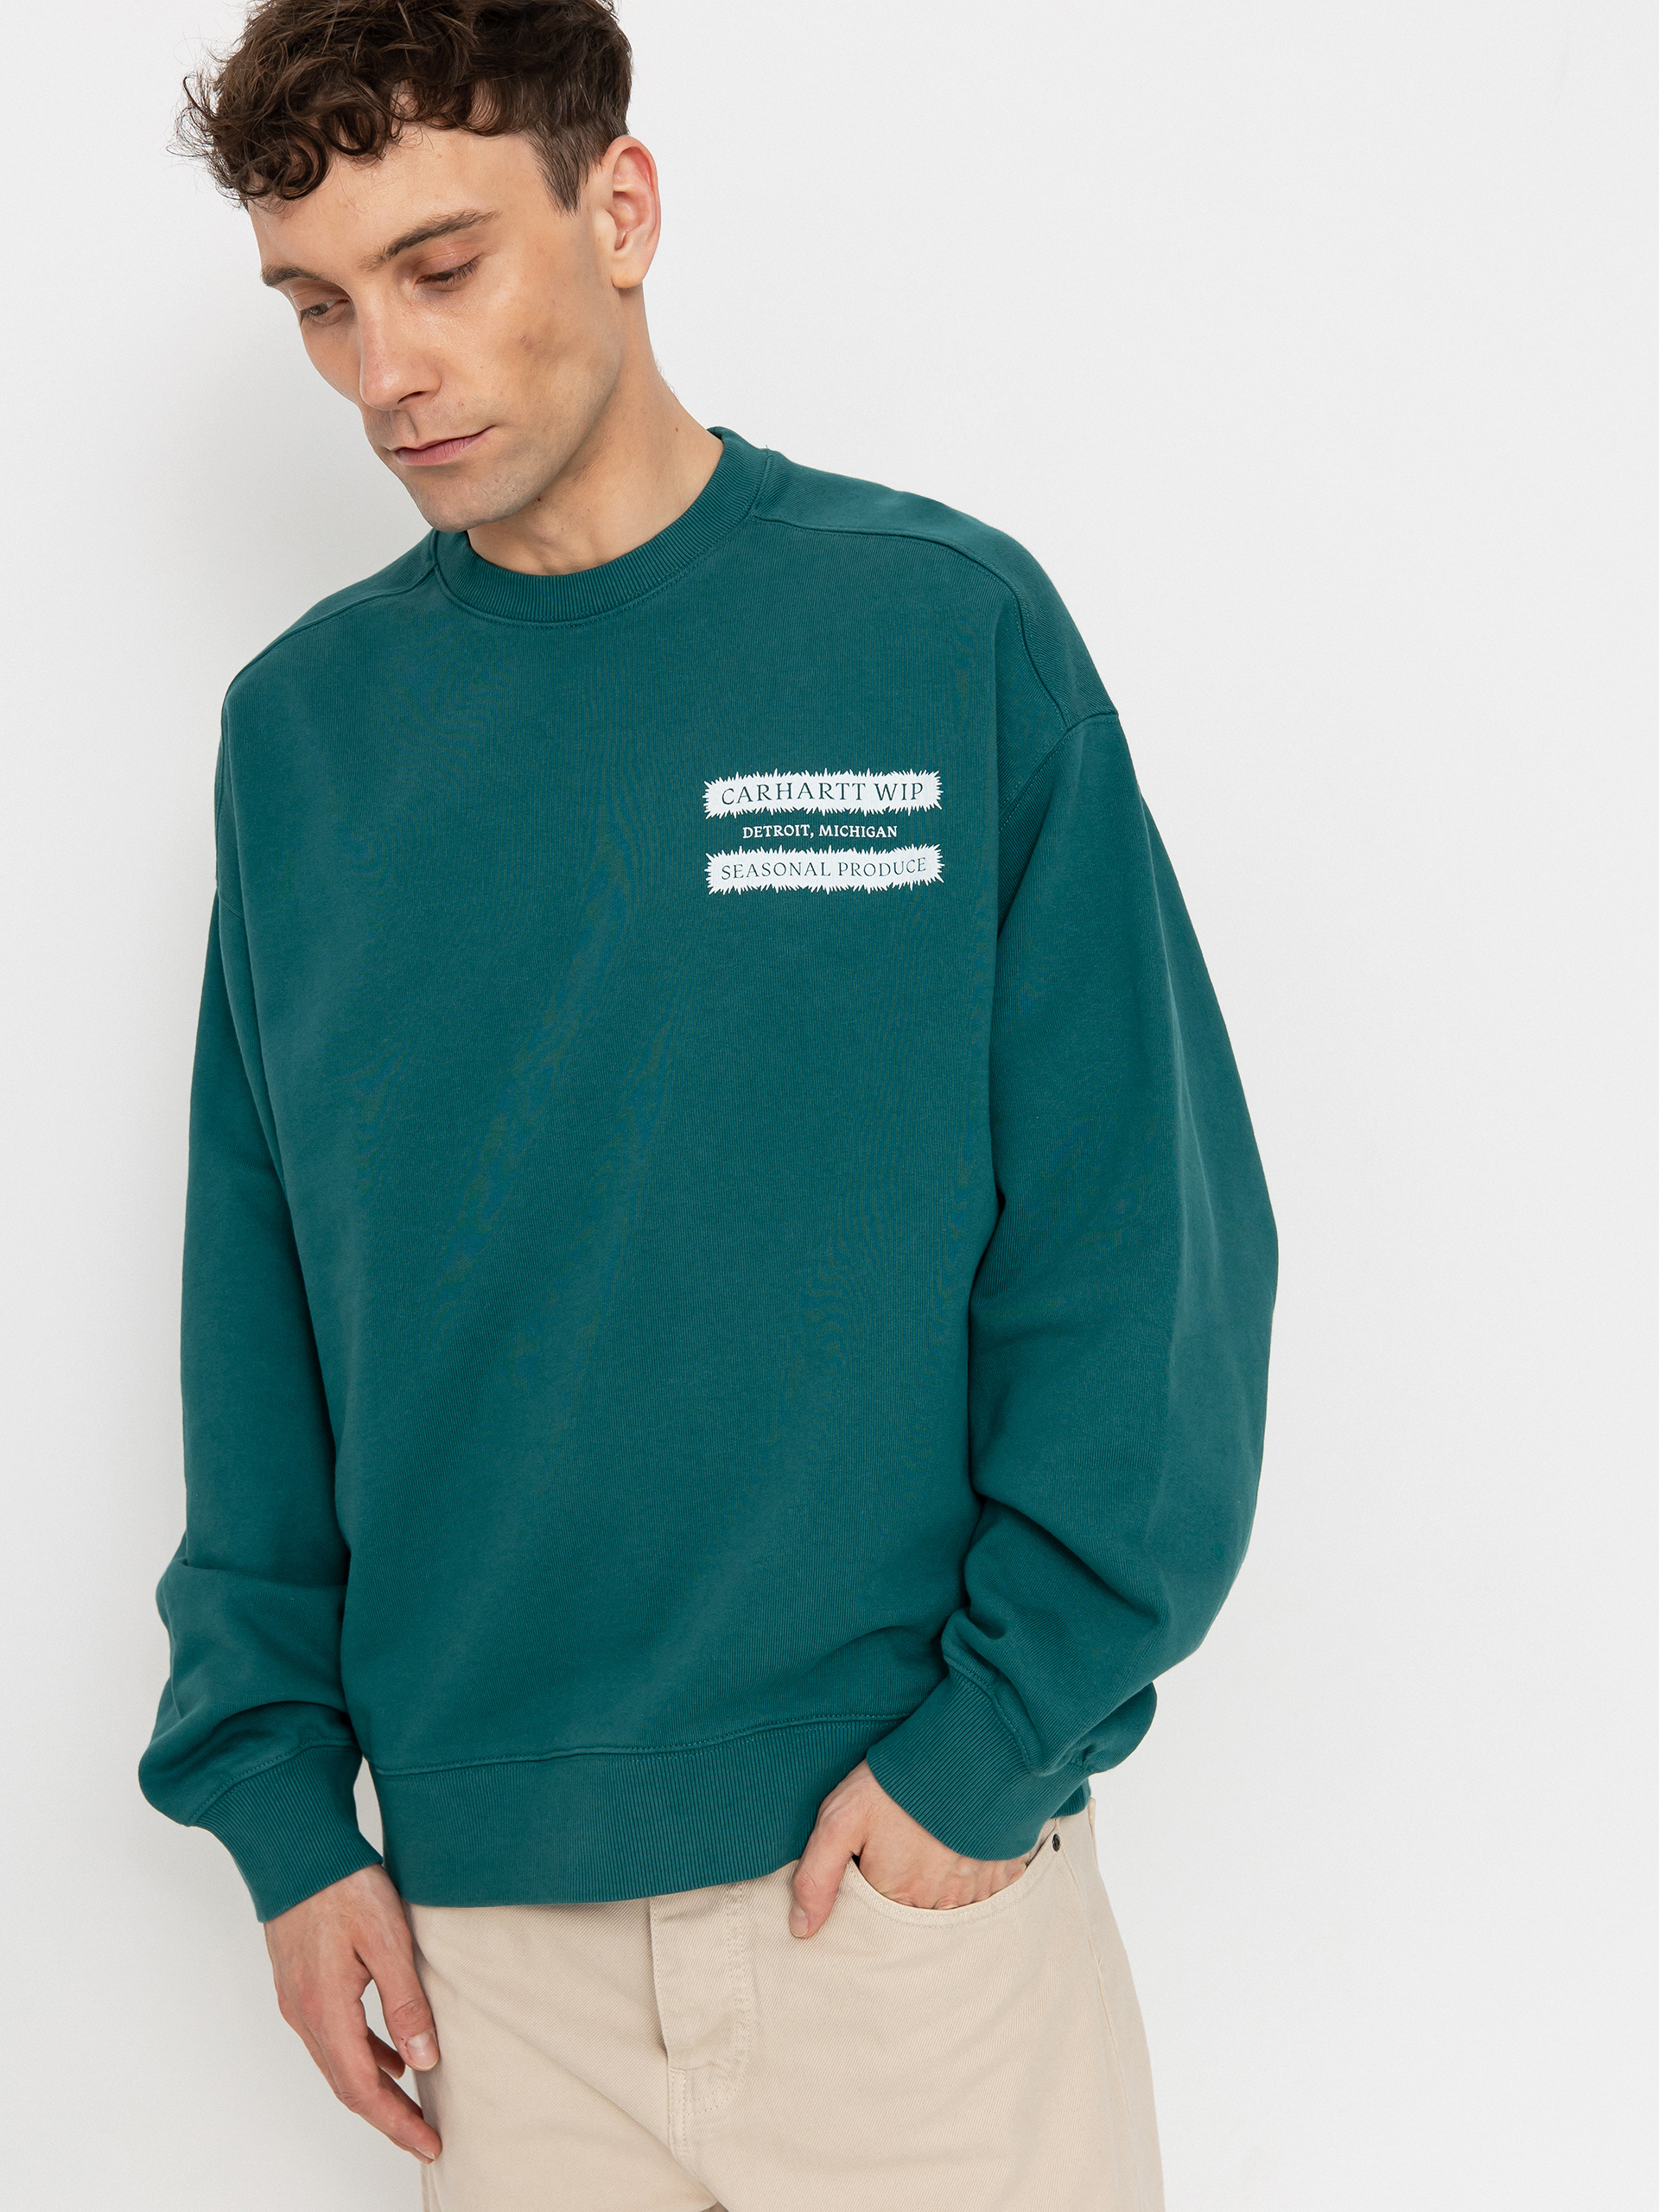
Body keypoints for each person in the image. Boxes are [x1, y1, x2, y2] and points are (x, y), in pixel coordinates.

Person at [138, 3, 1277, 2206]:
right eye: (320, 305)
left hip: (904, 1908)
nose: (384, 371)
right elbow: (256, 1307)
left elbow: (1147, 1252)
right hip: (485, 1953)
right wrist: (280, 1808)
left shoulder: (938, 634)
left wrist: (986, 1749)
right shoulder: (301, 738)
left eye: (441, 266)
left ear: (623, 208)